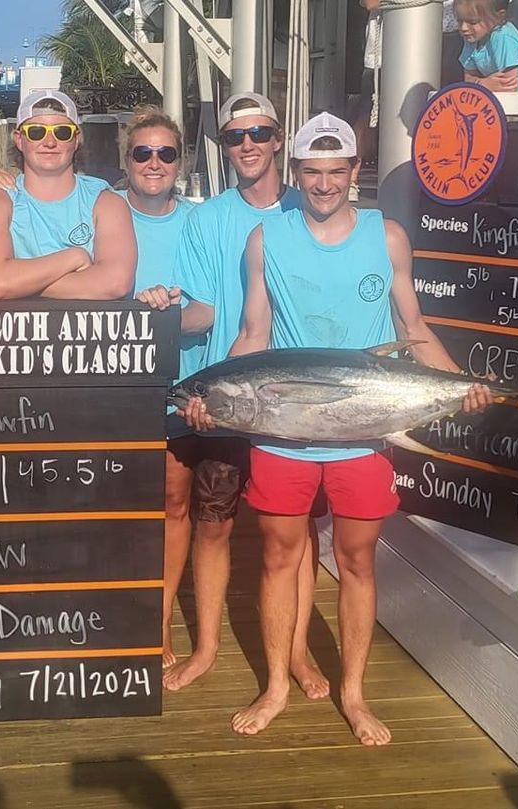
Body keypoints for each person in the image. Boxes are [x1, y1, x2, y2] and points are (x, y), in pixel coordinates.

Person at [181, 113, 489, 747]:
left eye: (335, 172)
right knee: (277, 558)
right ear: (297, 173)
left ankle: (353, 692)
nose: (323, 185)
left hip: (368, 430)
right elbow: (254, 336)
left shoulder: (389, 235)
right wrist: (209, 394)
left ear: (355, 172)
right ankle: (275, 685)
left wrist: (465, 384)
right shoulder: (266, 239)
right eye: (312, 173)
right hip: (284, 436)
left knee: (356, 562)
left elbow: (415, 328)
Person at [165, 92, 317, 695]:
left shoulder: (317, 205)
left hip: (300, 403)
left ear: (279, 139)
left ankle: (299, 651)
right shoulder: (205, 220)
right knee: (214, 524)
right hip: (224, 398)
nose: (248, 145)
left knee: (296, 531)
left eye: (259, 134)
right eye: (235, 137)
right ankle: (206, 647)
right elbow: (201, 312)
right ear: (224, 147)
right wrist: (134, 320)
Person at [120, 112, 200, 668]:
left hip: (181, 383)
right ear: (124, 162)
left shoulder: (201, 220)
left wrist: (169, 314)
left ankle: (161, 615)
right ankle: (114, 607)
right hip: (112, 387)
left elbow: (214, 306)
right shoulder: (99, 210)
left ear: (181, 161)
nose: (154, 163)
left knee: (174, 502)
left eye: (165, 154)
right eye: (142, 153)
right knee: (116, 504)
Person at [0, 89, 136, 300]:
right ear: (19, 139)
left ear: (76, 140)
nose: (49, 142)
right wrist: (74, 257)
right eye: (36, 132)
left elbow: (116, 283)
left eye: (62, 132)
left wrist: (21, 285)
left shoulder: (106, 202)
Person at [357, 0, 388, 161]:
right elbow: (370, 1)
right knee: (366, 116)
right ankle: (354, 174)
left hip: (413, 59)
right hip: (376, 59)